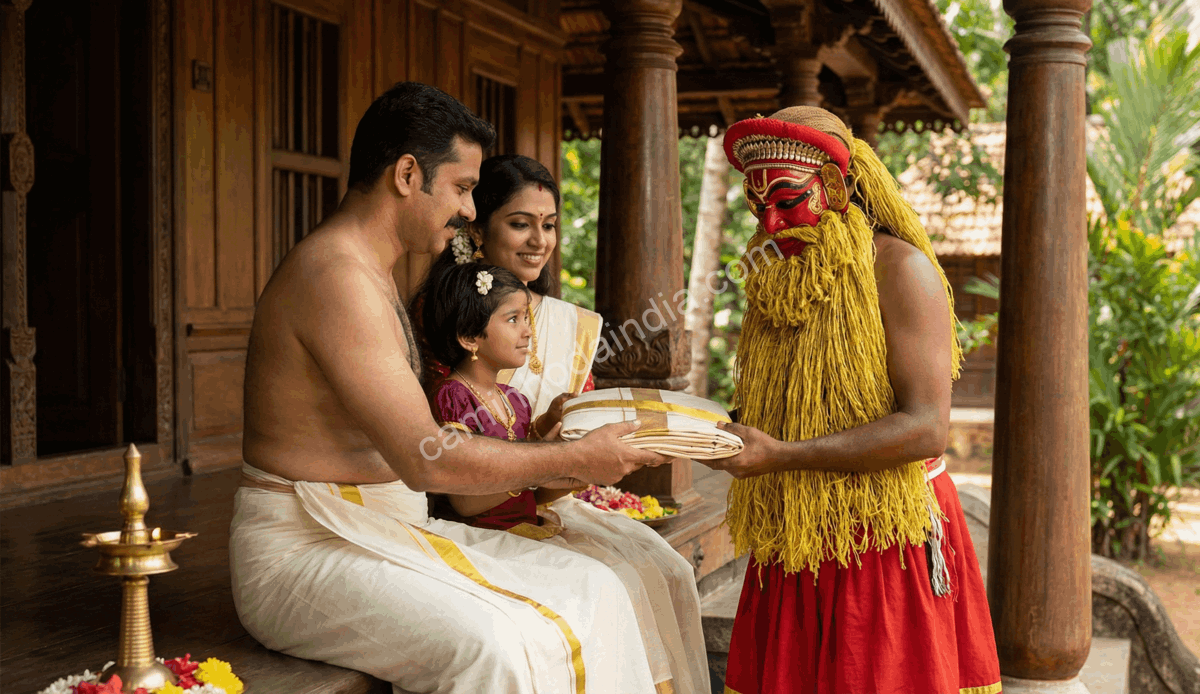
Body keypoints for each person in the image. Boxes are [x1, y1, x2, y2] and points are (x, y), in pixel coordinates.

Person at [231, 81, 671, 694]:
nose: (469, 210)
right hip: (306, 549)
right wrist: (577, 457)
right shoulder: (335, 275)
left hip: (387, 529)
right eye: (463, 188)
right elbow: (424, 457)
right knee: (493, 649)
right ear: (408, 174)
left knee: (597, 586)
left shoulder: (370, 270)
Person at [702, 106, 1002, 694]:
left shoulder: (902, 270)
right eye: (757, 205)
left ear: (836, 187)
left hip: (883, 537)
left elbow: (925, 429)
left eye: (788, 201)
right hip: (796, 537)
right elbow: (788, 407)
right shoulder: (776, 275)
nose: (771, 222)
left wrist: (781, 455)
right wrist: (736, 433)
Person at [418, 155, 710, 693]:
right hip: (472, 516)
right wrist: (560, 461)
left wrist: (606, 451)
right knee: (611, 585)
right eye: (520, 223)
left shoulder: (565, 327)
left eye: (549, 225)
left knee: (665, 568)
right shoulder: (443, 327)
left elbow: (561, 443)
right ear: (478, 229)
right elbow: (447, 467)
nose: (539, 241)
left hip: (545, 503)